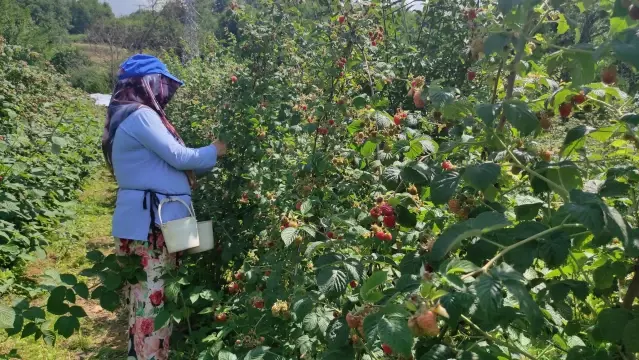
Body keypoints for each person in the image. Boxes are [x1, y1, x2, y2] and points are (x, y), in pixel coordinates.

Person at [101, 54, 226, 360]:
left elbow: (171, 166)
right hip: (152, 224)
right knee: (153, 302)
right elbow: (180, 157)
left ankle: (138, 354)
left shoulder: (124, 116)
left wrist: (202, 162)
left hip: (143, 220)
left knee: (142, 298)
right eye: (162, 85)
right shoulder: (142, 116)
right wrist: (216, 149)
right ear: (146, 84)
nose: (165, 93)